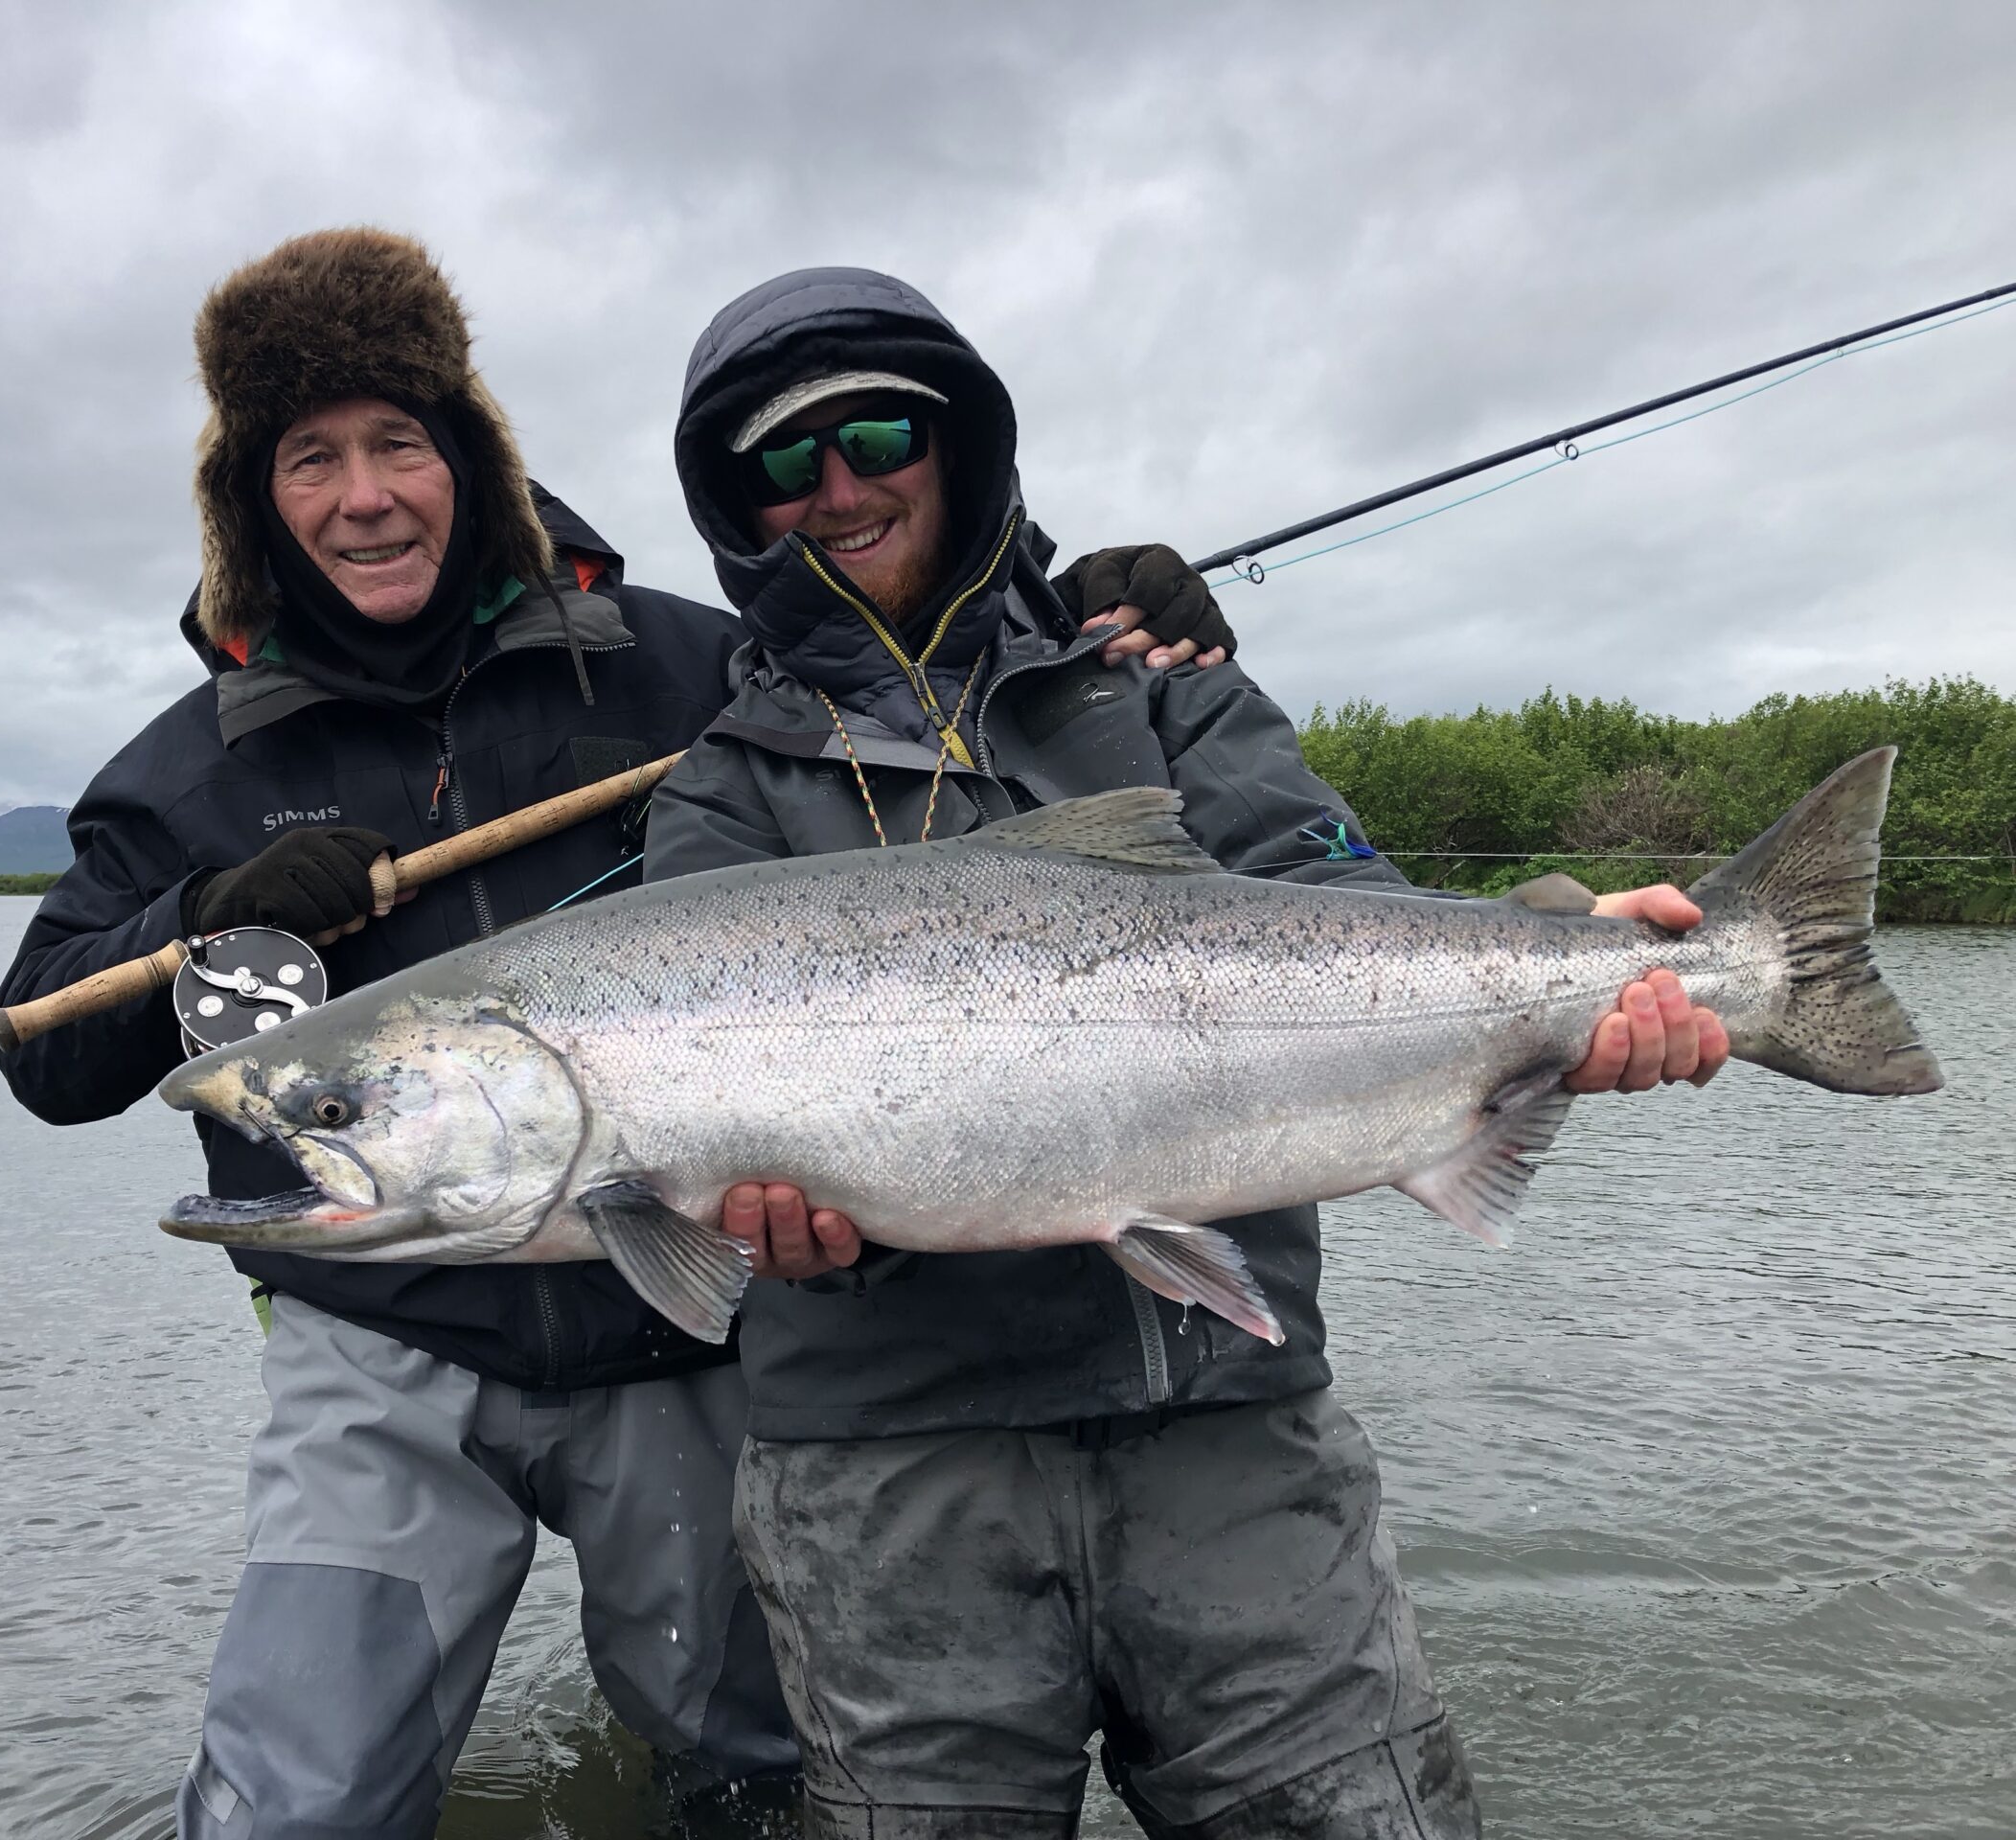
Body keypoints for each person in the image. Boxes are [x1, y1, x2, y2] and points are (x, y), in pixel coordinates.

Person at [0, 230, 1224, 1840]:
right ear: (253, 498)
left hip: (688, 1328)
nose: (364, 495)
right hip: (383, 1341)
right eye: (312, 458)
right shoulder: (182, 776)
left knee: (770, 1784)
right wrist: (202, 918)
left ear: (470, 462)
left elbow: (916, 672)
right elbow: (45, 1056)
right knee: (296, 1807)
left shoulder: (686, 667)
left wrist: (1078, 595)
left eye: (399, 443)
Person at [643, 265, 1729, 1839]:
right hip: (887, 1479)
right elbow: (690, 1180)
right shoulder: (718, 797)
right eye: (781, 464)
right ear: (736, 510)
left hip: (1232, 1424)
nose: (839, 487)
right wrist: (758, 1236)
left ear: (957, 442)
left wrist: (1563, 959)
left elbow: (1339, 902)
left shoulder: (1156, 689)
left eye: (875, 431)